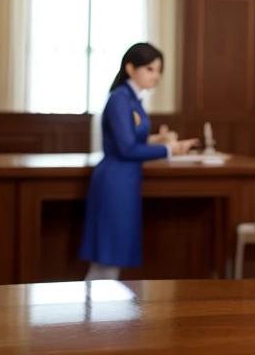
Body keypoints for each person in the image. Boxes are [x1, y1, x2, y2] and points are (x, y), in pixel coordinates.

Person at [80, 42, 198, 281]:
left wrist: (158, 139)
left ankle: (102, 315)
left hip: (126, 181)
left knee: (115, 253)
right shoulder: (120, 99)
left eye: (159, 70)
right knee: (108, 256)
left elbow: (130, 137)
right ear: (131, 68)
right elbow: (126, 148)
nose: (156, 76)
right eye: (150, 69)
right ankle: (94, 316)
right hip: (115, 182)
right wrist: (169, 149)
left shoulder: (133, 100)